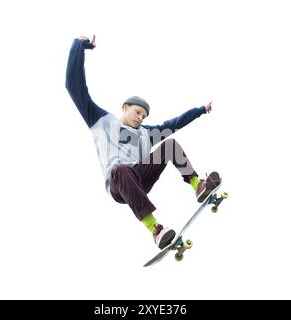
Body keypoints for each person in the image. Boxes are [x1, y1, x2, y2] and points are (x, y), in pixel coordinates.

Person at [65, 35, 221, 250]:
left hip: (141, 178)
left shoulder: (147, 133)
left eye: (144, 116)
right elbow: (74, 87)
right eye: (138, 112)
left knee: (170, 145)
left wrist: (201, 111)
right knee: (121, 169)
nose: (140, 118)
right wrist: (78, 46)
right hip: (119, 185)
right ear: (125, 107)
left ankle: (198, 186)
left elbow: (175, 123)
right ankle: (156, 229)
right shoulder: (101, 121)